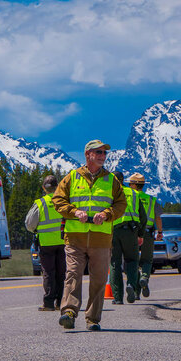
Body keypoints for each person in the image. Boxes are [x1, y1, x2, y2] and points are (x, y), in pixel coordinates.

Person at [52, 139, 127, 331]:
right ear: (88, 155)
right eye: (99, 152)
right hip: (75, 237)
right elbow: (58, 200)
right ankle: (68, 312)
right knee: (73, 274)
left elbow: (121, 205)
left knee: (99, 279)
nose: (103, 156)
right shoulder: (71, 177)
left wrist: (106, 214)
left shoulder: (112, 180)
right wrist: (74, 212)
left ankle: (93, 319)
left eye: (104, 153)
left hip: (101, 239)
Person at [25, 175, 66, 311]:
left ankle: (48, 303)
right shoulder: (64, 201)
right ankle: (61, 302)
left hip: (46, 243)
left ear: (44, 188)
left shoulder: (40, 203)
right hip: (62, 241)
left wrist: (36, 230)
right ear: (58, 186)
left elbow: (29, 224)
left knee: (48, 272)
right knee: (61, 272)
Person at [110, 171, 147, 304]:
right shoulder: (134, 193)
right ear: (123, 180)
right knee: (132, 261)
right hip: (131, 231)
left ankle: (118, 298)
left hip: (113, 231)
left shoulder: (108, 193)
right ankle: (131, 284)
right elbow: (143, 217)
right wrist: (140, 234)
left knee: (115, 263)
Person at [128, 173, 163, 298]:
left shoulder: (129, 198)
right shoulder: (151, 200)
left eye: (129, 184)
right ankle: (144, 277)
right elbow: (158, 217)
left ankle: (135, 290)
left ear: (133, 185)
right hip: (148, 232)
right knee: (147, 259)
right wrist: (160, 232)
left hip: (132, 232)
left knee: (133, 260)